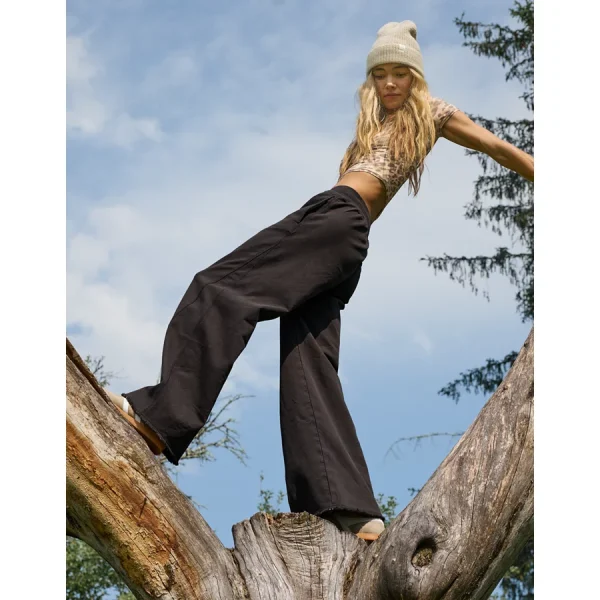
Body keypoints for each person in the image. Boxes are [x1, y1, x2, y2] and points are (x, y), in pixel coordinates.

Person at [105, 20, 534, 542]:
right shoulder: (371, 130)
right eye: (381, 74)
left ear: (417, 79)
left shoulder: (434, 112)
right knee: (307, 356)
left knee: (219, 287)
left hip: (337, 219)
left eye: (401, 73)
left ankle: (159, 419)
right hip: (347, 242)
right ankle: (346, 509)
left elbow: (495, 147)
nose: (391, 83)